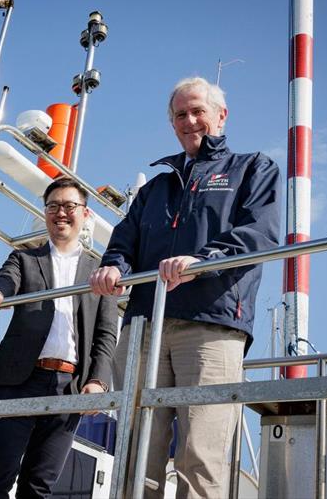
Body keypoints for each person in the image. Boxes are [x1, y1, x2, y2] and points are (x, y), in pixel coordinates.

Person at [89, 76, 281, 498]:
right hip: (145, 326)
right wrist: (113, 265)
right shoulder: (155, 188)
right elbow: (124, 241)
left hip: (211, 326)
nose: (190, 120)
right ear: (172, 123)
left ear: (221, 115)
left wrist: (204, 261)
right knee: (137, 452)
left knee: (202, 454)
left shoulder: (252, 168)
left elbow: (262, 233)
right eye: (181, 114)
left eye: (198, 111)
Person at [0, 177, 119, 499]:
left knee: (39, 486)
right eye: (53, 206)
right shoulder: (24, 258)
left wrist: (98, 381)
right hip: (19, 382)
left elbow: (107, 333)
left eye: (69, 206)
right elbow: (6, 280)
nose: (60, 213)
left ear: (85, 214)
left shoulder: (101, 271)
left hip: (70, 386)